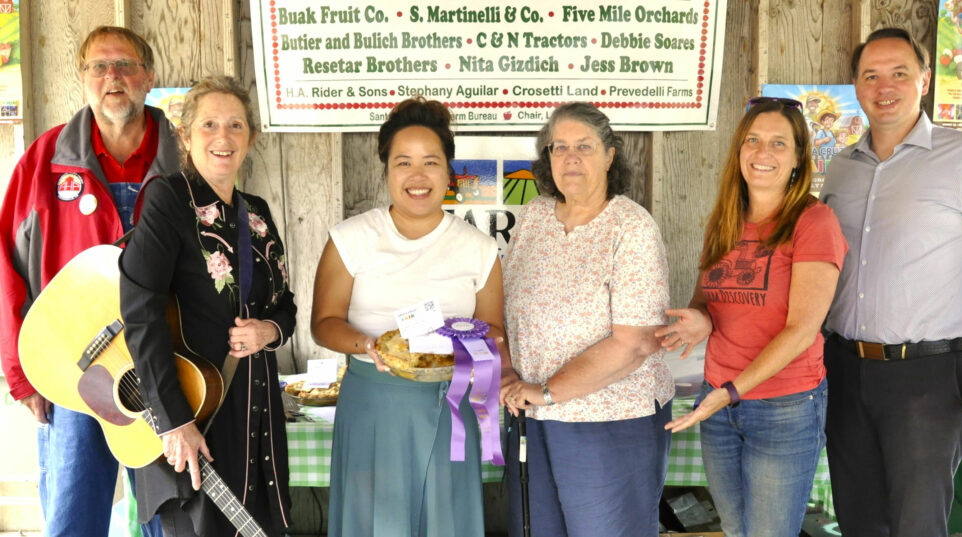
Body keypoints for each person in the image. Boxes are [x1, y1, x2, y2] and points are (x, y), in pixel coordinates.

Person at [820, 28, 962, 537]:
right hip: (842, 369)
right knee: (858, 519)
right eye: (871, 75)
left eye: (899, 73)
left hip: (929, 377)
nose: (884, 85)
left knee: (917, 525)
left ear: (925, 80)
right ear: (856, 86)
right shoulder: (840, 167)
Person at [0, 25, 176, 537]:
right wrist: (22, 372)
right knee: (73, 520)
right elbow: (8, 265)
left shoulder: (184, 156)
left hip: (165, 368)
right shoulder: (44, 160)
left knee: (171, 521)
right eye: (98, 66)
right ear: (83, 80)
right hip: (71, 372)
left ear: (148, 77)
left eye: (125, 65)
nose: (112, 76)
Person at [310, 96, 508, 537]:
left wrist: (454, 345)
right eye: (404, 163)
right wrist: (371, 345)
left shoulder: (478, 248)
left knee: (446, 521)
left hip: (447, 405)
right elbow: (323, 323)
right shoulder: (352, 238)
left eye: (431, 163)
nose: (418, 177)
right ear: (386, 170)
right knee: (373, 521)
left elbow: (494, 331)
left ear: (449, 172)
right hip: (372, 405)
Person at [656, 97, 847, 536]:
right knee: (737, 530)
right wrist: (701, 319)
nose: (763, 153)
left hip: (783, 407)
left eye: (779, 144)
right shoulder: (724, 220)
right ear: (739, 151)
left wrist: (729, 392)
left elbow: (802, 330)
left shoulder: (814, 222)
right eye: (753, 141)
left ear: (799, 158)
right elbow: (706, 300)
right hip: (720, 403)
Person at [120, 75, 295, 536]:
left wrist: (269, 331)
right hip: (196, 413)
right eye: (209, 124)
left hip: (258, 412)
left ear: (251, 138)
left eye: (236, 125)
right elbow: (140, 312)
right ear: (185, 135)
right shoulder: (168, 199)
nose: (224, 137)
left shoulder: (257, 212)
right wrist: (173, 421)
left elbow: (287, 305)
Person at [501, 102, 673, 537]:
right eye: (559, 147)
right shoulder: (534, 217)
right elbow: (505, 308)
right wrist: (514, 381)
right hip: (533, 417)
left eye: (584, 146)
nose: (570, 158)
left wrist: (546, 392)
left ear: (610, 155)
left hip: (608, 420)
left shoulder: (630, 228)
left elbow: (634, 343)